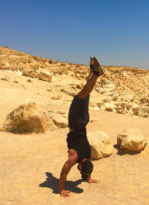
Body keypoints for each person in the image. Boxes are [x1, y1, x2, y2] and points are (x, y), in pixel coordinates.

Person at [59, 56, 104, 197]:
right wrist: (61, 190)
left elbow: (88, 167)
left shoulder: (88, 154)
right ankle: (96, 74)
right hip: (76, 123)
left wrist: (89, 177)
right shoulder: (74, 157)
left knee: (85, 94)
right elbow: (64, 172)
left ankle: (92, 72)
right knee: (80, 96)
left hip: (84, 122)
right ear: (80, 166)